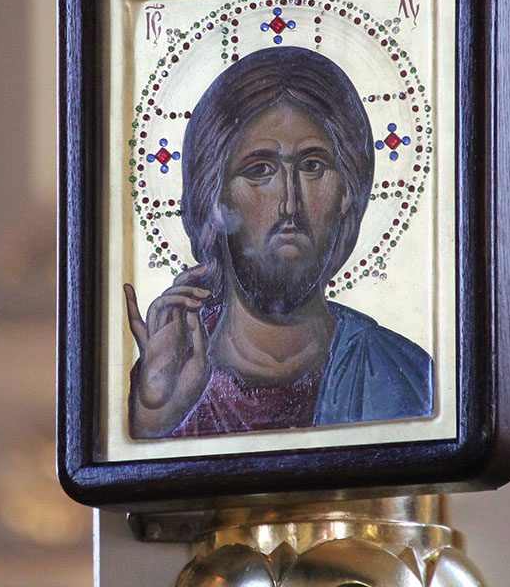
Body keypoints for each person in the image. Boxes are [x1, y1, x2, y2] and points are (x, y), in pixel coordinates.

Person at [126, 46, 433, 439]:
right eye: (260, 170)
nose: (290, 203)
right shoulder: (164, 381)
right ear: (215, 200)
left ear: (346, 194)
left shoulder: (401, 378)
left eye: (312, 166)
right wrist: (153, 419)